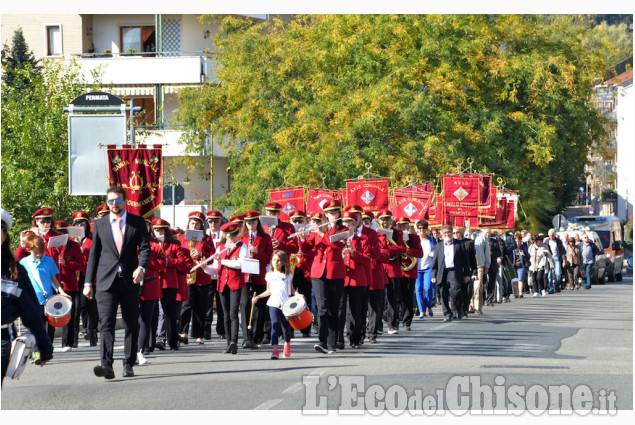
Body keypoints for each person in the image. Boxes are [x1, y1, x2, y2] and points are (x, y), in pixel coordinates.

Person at [83, 186, 150, 380]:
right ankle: (106, 365)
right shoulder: (100, 224)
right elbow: (94, 255)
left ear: (125, 202)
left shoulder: (137, 223)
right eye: (110, 201)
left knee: (131, 323)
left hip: (130, 280)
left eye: (118, 201)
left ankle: (128, 363)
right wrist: (88, 282)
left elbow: (145, 249)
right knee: (106, 323)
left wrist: (141, 268)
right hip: (106, 282)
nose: (114, 204)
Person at [300, 199, 346, 354]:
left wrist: (322, 234)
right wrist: (301, 237)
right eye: (330, 213)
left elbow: (337, 245)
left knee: (334, 308)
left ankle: (332, 343)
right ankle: (323, 341)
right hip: (318, 272)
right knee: (322, 308)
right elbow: (306, 247)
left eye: (335, 212)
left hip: (335, 272)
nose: (333, 215)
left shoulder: (343, 229)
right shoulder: (318, 228)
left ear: (339, 213)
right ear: (325, 215)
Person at [252, 250, 299, 359]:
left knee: (285, 326)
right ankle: (275, 349)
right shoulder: (269, 275)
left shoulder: (287, 275)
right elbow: (268, 291)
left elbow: (292, 290)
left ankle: (287, 344)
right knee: (274, 325)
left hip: (285, 305)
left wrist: (298, 295)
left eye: (278, 261)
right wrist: (258, 297)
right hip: (273, 303)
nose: (276, 263)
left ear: (283, 262)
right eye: (274, 260)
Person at [178, 211, 215, 345]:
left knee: (200, 307)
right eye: (192, 223)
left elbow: (212, 257)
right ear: (189, 223)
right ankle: (183, 332)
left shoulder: (207, 239)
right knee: (186, 305)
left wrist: (201, 253)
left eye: (197, 224)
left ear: (201, 225)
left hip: (202, 277)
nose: (195, 226)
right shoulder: (181, 238)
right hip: (186, 277)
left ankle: (199, 335)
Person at [336, 211, 371, 349]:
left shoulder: (362, 240)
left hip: (357, 279)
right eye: (345, 223)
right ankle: (339, 339)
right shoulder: (338, 240)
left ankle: (354, 339)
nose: (347, 225)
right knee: (340, 309)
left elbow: (367, 260)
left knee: (355, 311)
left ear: (355, 225)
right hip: (341, 278)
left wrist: (353, 253)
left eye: (350, 223)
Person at [213, 221, 248, 354]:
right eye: (230, 236)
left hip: (235, 283)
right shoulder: (220, 247)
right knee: (225, 315)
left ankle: (234, 341)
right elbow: (216, 269)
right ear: (225, 235)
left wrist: (222, 261)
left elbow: (240, 264)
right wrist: (205, 268)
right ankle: (229, 343)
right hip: (222, 284)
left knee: (233, 313)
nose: (233, 238)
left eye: (235, 235)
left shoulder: (242, 246)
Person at [240, 210, 273, 349]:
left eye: (253, 222)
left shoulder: (265, 237)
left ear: (257, 222)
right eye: (248, 223)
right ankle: (246, 338)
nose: (250, 225)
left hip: (259, 275)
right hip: (245, 275)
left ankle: (256, 337)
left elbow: (270, 258)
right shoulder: (241, 237)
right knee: (244, 305)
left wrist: (258, 252)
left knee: (259, 308)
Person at [136, 216, 166, 365]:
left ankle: (140, 350)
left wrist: (145, 260)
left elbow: (162, 263)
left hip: (150, 283)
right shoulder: (130, 242)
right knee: (134, 319)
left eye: (146, 225)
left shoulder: (156, 244)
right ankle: (133, 348)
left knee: (145, 320)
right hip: (132, 284)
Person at [53, 220, 86, 352]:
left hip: (69, 285)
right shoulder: (53, 247)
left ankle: (68, 342)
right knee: (57, 314)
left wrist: (67, 264)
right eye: (59, 233)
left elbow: (81, 265)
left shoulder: (75, 246)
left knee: (69, 314)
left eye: (64, 233)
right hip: (55, 284)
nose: (61, 236)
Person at [430, 224, 471, 322]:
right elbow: (434, 263)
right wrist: (433, 275)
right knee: (443, 293)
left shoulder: (459, 244)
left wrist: (467, 274)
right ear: (441, 234)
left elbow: (466, 261)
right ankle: (447, 314)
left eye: (449, 232)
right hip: (442, 272)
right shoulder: (438, 246)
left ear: (452, 233)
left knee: (455, 292)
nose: (447, 234)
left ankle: (457, 308)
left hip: (455, 272)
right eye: (445, 233)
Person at [377, 210, 407, 334]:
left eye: (386, 219)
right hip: (380, 268)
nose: (384, 221)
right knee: (378, 298)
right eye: (382, 219)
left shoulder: (397, 233)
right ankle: (377, 325)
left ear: (391, 220)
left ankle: (392, 325)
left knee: (392, 298)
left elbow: (402, 248)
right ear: (379, 220)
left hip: (393, 269)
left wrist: (386, 249)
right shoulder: (376, 233)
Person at [362, 212, 389, 344]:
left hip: (376, 275)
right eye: (361, 222)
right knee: (359, 307)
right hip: (361, 275)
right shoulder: (354, 236)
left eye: (367, 222)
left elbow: (384, 257)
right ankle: (359, 334)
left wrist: (371, 249)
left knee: (375, 307)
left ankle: (372, 333)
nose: (364, 224)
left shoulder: (380, 236)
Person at [72, 210, 98, 347]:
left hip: (88, 275)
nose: (80, 225)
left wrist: (84, 252)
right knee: (78, 307)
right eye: (77, 223)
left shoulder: (91, 240)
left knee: (90, 306)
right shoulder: (70, 241)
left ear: (87, 225)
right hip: (74, 277)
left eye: (82, 223)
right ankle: (76, 336)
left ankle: (92, 333)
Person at [396, 217, 422, 330]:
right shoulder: (394, 237)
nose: (402, 228)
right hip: (397, 270)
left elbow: (420, 253)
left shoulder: (414, 238)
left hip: (409, 271)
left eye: (404, 225)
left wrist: (407, 250)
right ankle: (395, 320)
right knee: (396, 297)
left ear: (408, 226)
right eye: (400, 226)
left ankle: (407, 322)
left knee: (408, 296)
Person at [204, 210, 225, 340]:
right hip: (208, 273)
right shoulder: (204, 235)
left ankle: (221, 329)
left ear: (220, 221)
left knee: (222, 303)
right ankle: (206, 330)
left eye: (216, 221)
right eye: (210, 221)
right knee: (207, 303)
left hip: (221, 273)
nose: (213, 224)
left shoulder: (224, 235)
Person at [414, 219, 436, 319]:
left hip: (428, 267)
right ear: (417, 229)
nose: (422, 230)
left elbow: (437, 252)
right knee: (418, 289)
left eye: (424, 228)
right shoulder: (415, 239)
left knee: (427, 288)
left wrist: (434, 254)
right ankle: (422, 310)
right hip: (417, 267)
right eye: (420, 228)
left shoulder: (432, 239)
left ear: (427, 229)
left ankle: (429, 306)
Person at [453, 227, 475, 317]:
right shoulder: (450, 243)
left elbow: (473, 258)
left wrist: (474, 271)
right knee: (456, 290)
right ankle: (457, 309)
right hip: (455, 270)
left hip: (466, 269)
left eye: (457, 232)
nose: (455, 234)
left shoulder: (468, 242)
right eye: (453, 233)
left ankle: (464, 308)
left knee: (467, 291)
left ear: (461, 233)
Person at [545, 229, 566, 293]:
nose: (551, 237)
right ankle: (551, 288)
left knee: (558, 273)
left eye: (552, 235)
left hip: (556, 259)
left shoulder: (558, 241)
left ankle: (557, 285)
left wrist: (564, 260)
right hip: (549, 259)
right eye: (550, 235)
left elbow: (562, 251)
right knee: (549, 275)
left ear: (554, 235)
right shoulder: (546, 241)